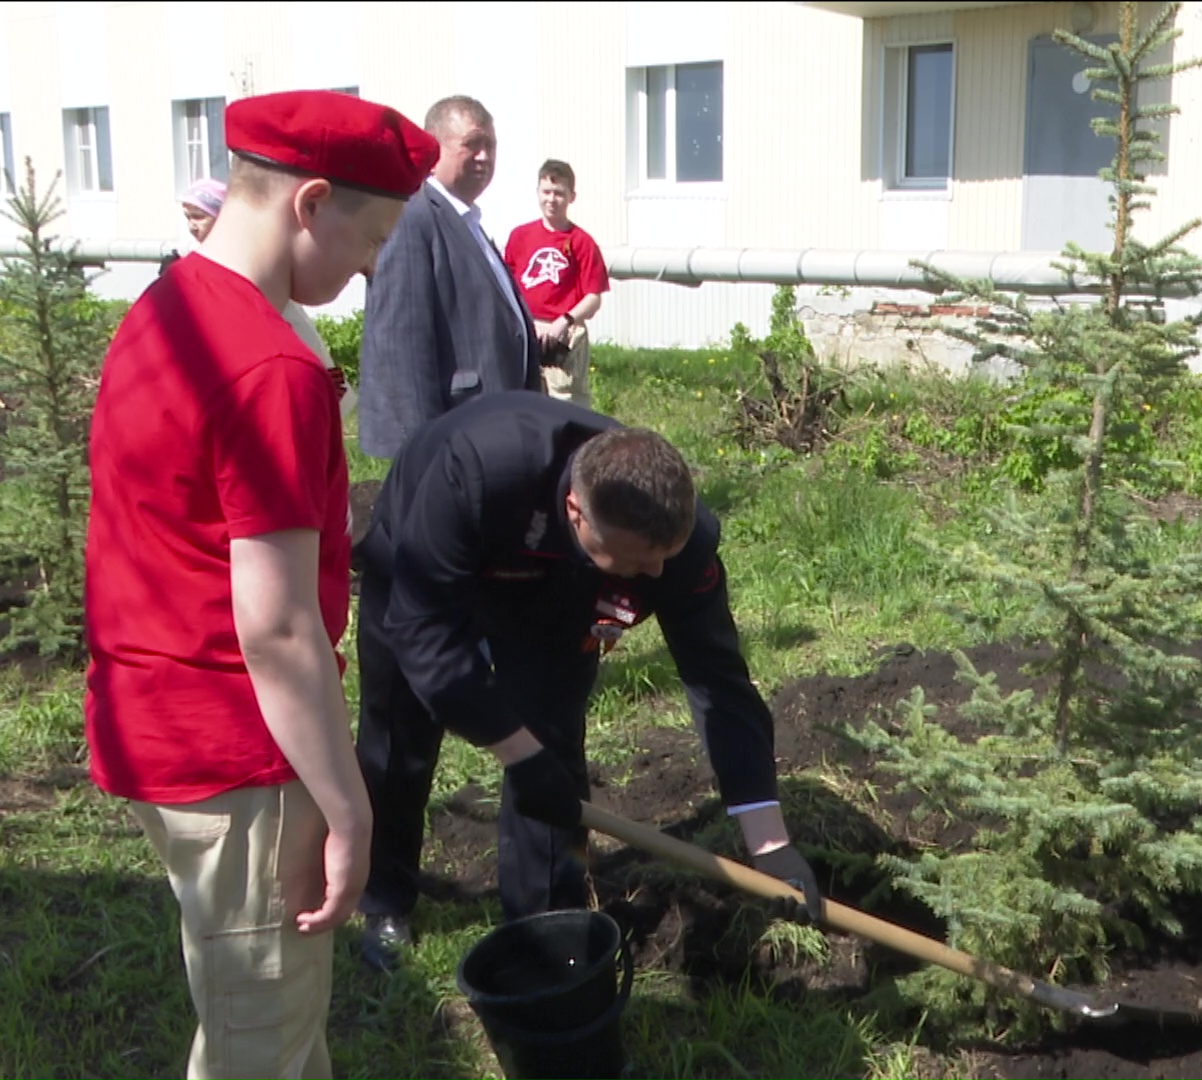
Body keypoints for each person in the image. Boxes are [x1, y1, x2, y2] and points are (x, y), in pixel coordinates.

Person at [85, 89, 438, 1079]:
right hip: (243, 753)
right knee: (261, 1053)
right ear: (311, 203)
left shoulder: (163, 311)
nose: (371, 269)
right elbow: (277, 628)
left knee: (261, 1026)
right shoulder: (269, 365)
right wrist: (352, 807)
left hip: (152, 721)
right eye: (372, 239)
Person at [352, 390, 822, 972]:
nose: (654, 576)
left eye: (663, 560)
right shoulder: (476, 471)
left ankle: (548, 929)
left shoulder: (677, 545)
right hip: (429, 557)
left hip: (558, 588)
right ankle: (385, 898)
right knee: (400, 727)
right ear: (577, 511)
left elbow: (720, 682)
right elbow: (422, 632)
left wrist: (769, 843)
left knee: (552, 749)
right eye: (636, 563)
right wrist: (515, 751)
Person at [357, 94, 540, 459]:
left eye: (490, 145)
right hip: (453, 439)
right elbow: (400, 346)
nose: (485, 157)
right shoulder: (413, 219)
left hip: (494, 430)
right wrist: (423, 454)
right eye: (472, 144)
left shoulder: (466, 221)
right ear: (434, 149)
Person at [161, 176, 359, 416]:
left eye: (199, 216)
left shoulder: (252, 263)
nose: (193, 225)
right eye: (188, 218)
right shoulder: (182, 263)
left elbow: (296, 331)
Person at [504, 159, 612, 409]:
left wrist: (563, 322)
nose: (551, 199)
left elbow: (593, 297)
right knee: (524, 404)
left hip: (565, 334)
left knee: (566, 405)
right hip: (528, 331)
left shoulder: (581, 242)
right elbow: (506, 286)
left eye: (559, 193)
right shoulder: (520, 236)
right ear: (538, 193)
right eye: (546, 192)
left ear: (572, 197)